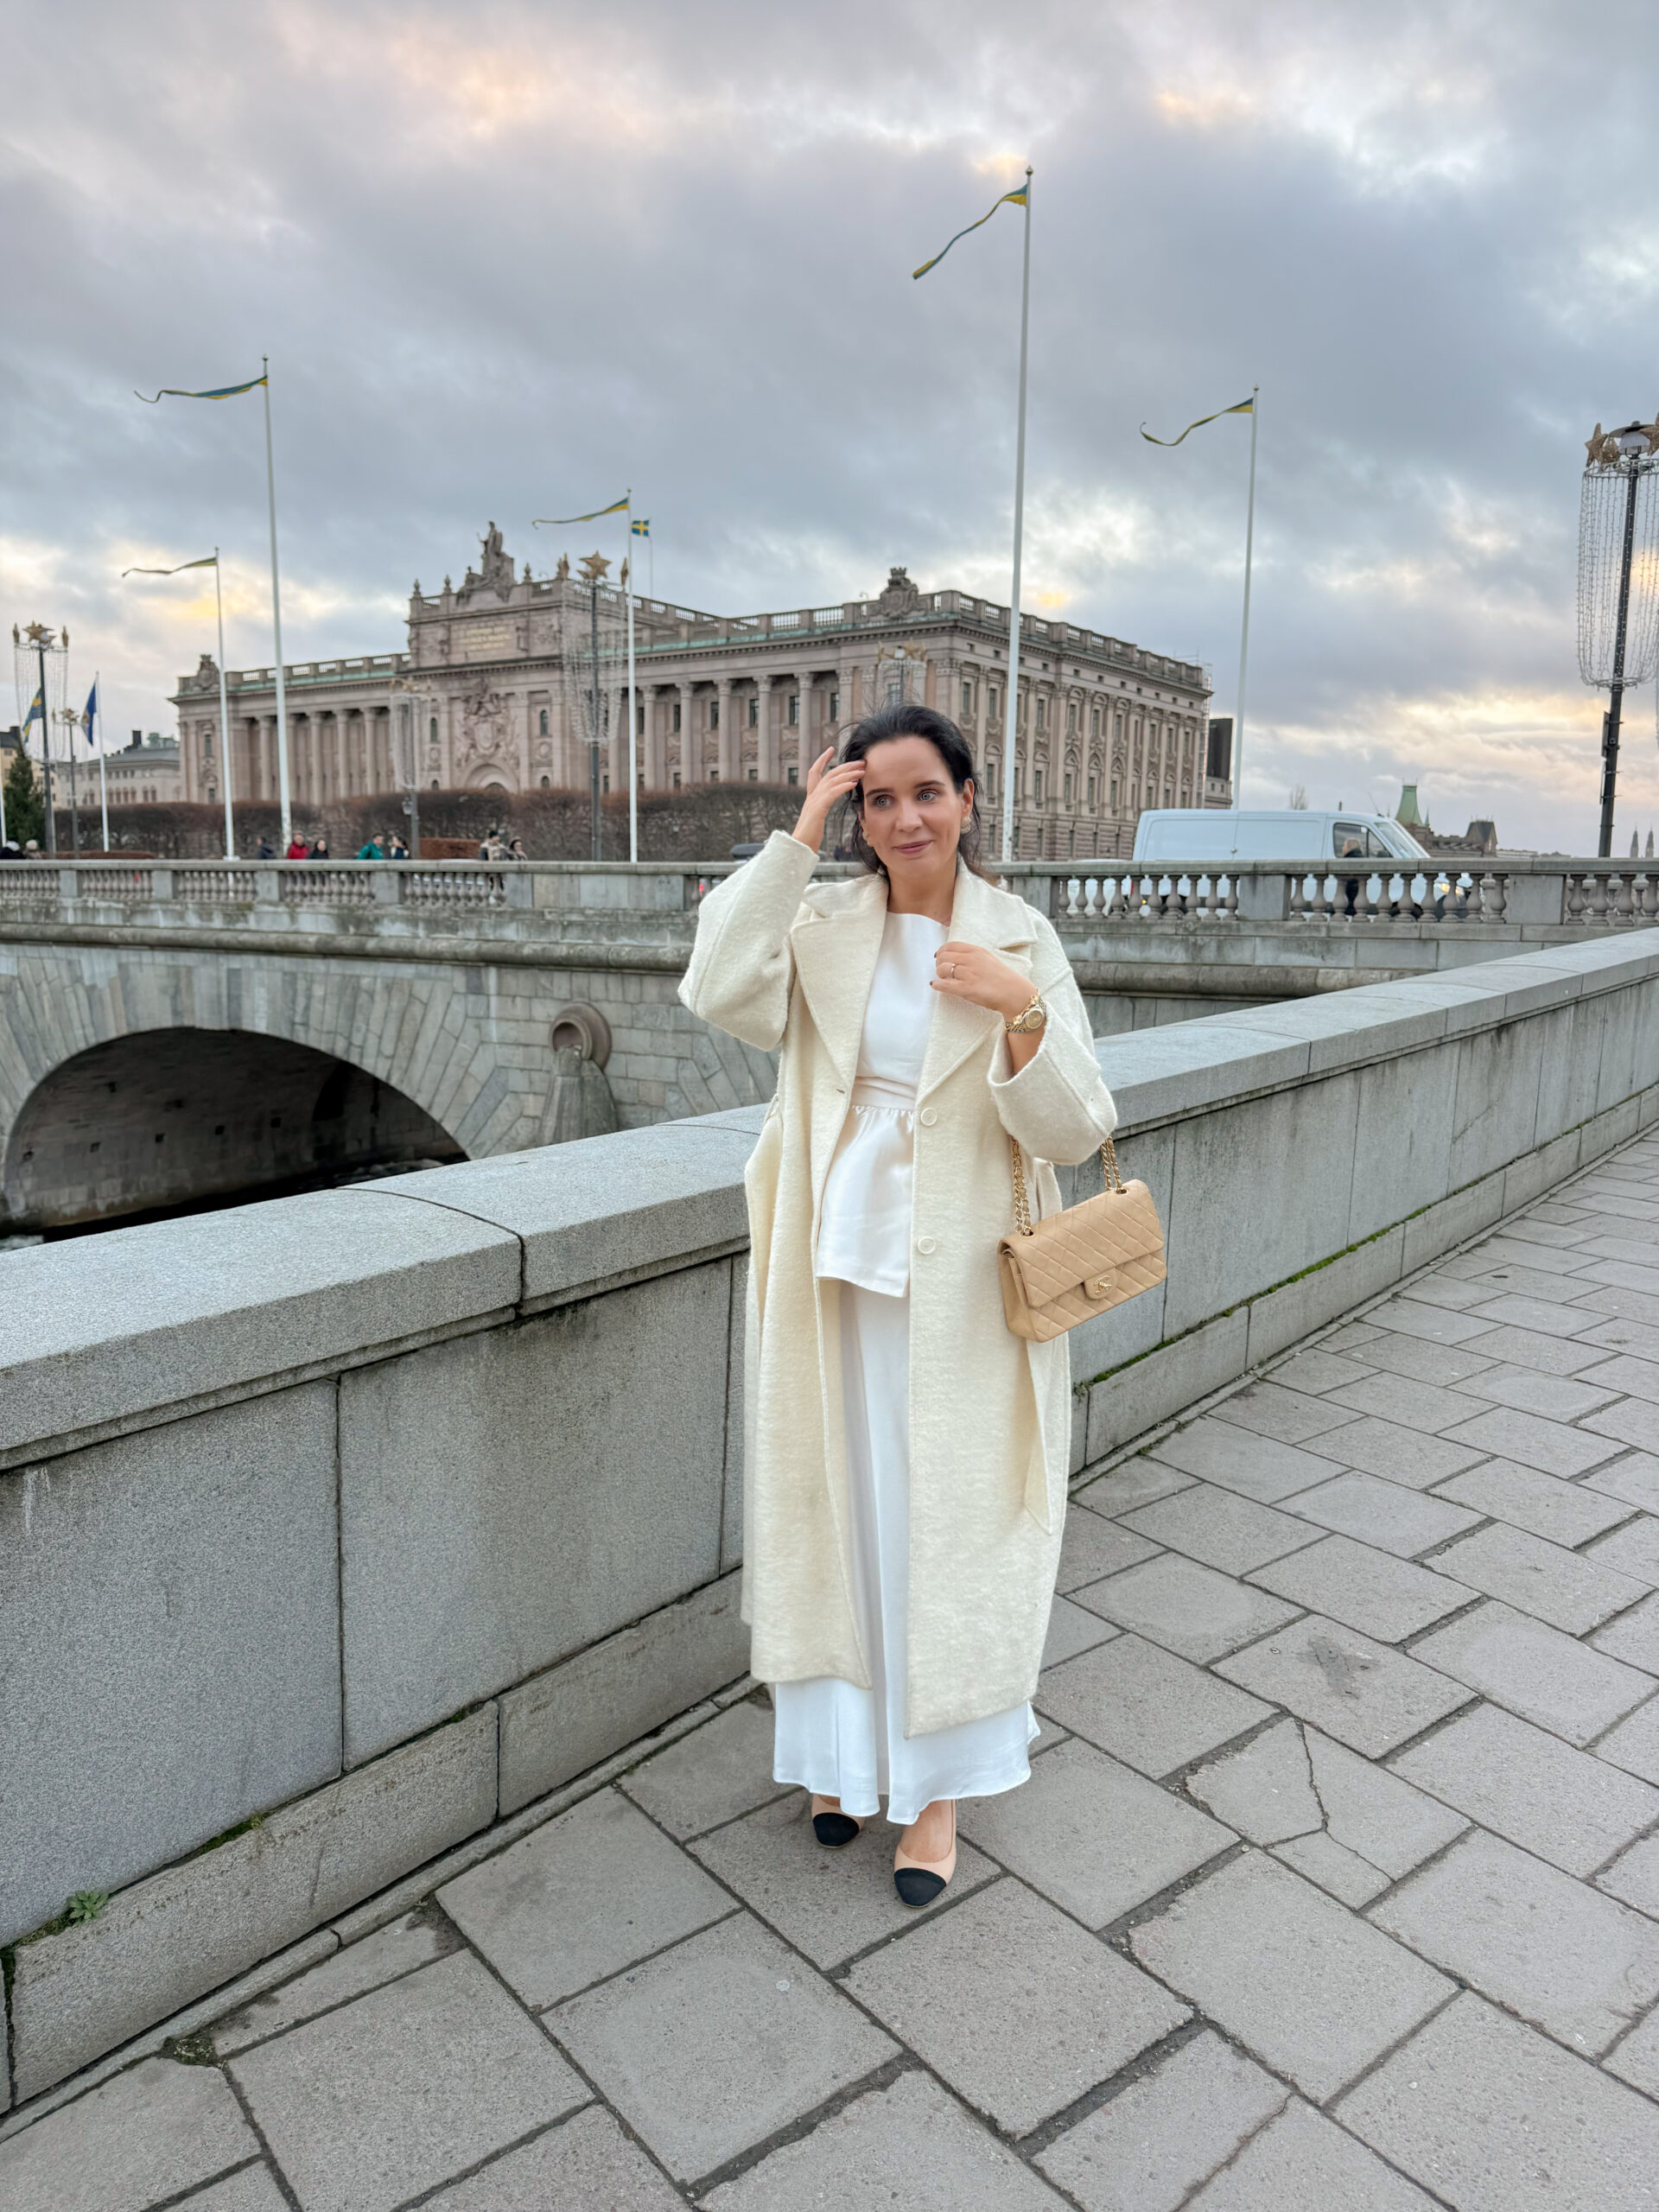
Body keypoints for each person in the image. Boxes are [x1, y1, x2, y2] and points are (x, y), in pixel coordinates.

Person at [680, 702, 1117, 1905]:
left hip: (960, 1286)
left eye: (926, 792)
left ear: (968, 799)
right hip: (833, 1269)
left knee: (943, 1523)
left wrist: (1020, 1010)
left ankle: (937, 1793)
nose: (905, 818)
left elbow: (1078, 1127)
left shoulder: (1020, 935)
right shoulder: (824, 921)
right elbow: (715, 985)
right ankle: (838, 1760)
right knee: (840, 1507)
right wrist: (795, 837)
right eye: (878, 800)